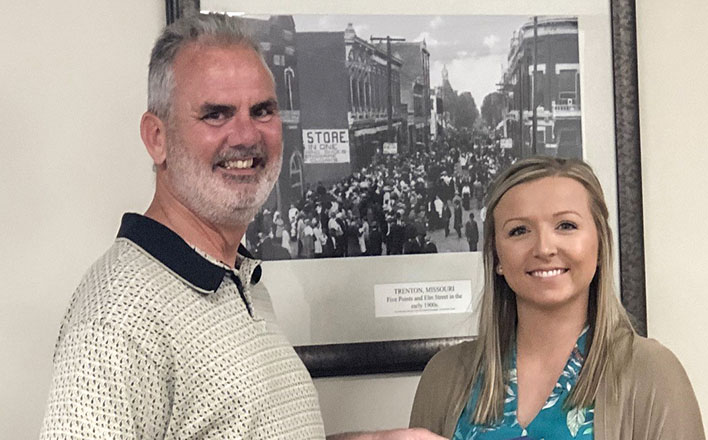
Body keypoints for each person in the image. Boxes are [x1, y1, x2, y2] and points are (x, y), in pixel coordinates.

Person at [40, 14, 444, 440]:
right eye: (216, 114)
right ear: (157, 138)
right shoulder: (118, 319)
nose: (247, 135)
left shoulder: (240, 278)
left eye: (263, 110)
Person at [410, 157, 704, 439]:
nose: (544, 248)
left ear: (600, 245)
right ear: (497, 256)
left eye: (566, 225)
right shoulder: (445, 376)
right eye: (519, 230)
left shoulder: (653, 375)